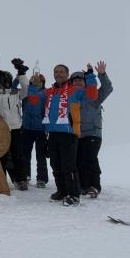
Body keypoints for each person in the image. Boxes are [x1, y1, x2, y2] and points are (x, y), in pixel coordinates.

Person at [43, 63, 98, 206]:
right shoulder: (49, 91)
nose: (58, 74)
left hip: (68, 133)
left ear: (67, 75)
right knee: (56, 165)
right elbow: (34, 100)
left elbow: (92, 95)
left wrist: (90, 75)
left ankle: (74, 195)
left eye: (61, 71)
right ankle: (62, 191)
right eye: (56, 71)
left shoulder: (75, 90)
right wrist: (32, 84)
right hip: (52, 133)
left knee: (69, 166)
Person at [0, 58, 29, 189]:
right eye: (3, 79)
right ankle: (0, 179)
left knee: (18, 154)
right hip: (0, 129)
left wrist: (21, 73)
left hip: (15, 128)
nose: (5, 82)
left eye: (7, 79)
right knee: (1, 154)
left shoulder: (16, 93)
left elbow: (26, 87)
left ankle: (21, 179)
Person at [75, 61, 112, 198]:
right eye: (75, 81)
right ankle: (83, 186)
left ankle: (94, 186)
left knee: (90, 158)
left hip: (92, 133)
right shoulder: (70, 97)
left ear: (85, 82)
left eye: (81, 80)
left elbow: (107, 88)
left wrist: (101, 74)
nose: (78, 83)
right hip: (76, 134)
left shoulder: (93, 95)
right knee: (78, 160)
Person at [22, 73, 49, 188]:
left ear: (43, 83)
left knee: (41, 155)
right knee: (25, 154)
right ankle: (25, 175)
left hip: (40, 129)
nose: (37, 84)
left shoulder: (45, 93)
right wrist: (20, 75)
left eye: (40, 82)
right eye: (33, 82)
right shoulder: (26, 93)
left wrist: (47, 128)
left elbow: (46, 108)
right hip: (26, 128)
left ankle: (42, 178)